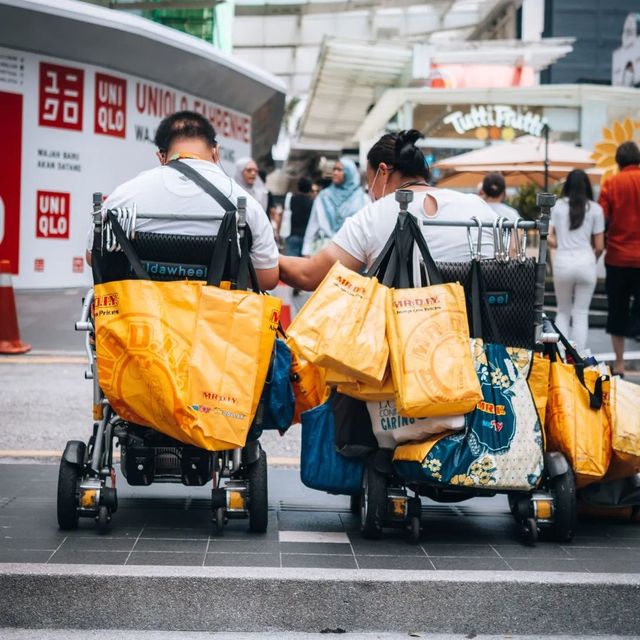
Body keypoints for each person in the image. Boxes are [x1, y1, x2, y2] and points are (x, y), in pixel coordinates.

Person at [279, 129, 497, 291]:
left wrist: (265, 255)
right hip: (476, 343)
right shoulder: (477, 207)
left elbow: (309, 275)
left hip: (404, 344)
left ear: (382, 172)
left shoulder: (372, 217)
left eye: (369, 178)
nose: (369, 188)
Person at [87, 111, 279, 291]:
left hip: (140, 320)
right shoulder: (245, 204)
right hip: (217, 322)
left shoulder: (124, 196)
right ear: (216, 152)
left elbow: (93, 257)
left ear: (161, 156)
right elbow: (267, 278)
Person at [548, 169, 605, 352]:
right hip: (586, 263)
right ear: (587, 186)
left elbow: (548, 237)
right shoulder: (595, 209)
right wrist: (591, 260)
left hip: (563, 263)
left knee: (563, 311)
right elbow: (600, 246)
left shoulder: (557, 207)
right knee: (581, 313)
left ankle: (561, 357)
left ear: (567, 185)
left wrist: (561, 244)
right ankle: (578, 356)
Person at [598, 140, 640, 376]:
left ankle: (620, 364)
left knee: (618, 311)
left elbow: (601, 218)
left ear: (618, 161)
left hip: (617, 257)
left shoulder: (611, 184)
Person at [302, 157, 367, 256]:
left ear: (349, 172)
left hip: (352, 252)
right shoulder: (324, 196)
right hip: (325, 250)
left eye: (340, 170)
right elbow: (313, 225)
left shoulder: (362, 198)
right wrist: (306, 251)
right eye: (334, 169)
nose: (335, 173)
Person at [282, 177, 314, 257]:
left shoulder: (291, 199)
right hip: (306, 236)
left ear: (298, 187)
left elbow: (284, 215)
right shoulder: (312, 202)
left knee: (291, 262)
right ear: (310, 188)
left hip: (292, 234)